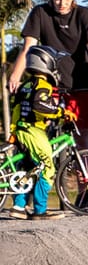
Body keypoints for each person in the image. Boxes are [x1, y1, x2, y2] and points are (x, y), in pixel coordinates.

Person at [7, 0, 88, 140]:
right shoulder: (40, 13)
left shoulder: (84, 14)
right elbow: (28, 47)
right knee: (41, 128)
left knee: (81, 135)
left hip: (80, 83)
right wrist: (15, 77)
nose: (62, 3)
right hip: (50, 82)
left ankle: (81, 166)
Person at [6, 78, 69, 218]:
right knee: (47, 168)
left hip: (22, 129)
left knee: (28, 168)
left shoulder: (26, 84)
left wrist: (13, 130)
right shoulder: (42, 84)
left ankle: (19, 207)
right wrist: (62, 112)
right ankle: (40, 211)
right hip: (34, 131)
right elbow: (39, 106)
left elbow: (16, 108)